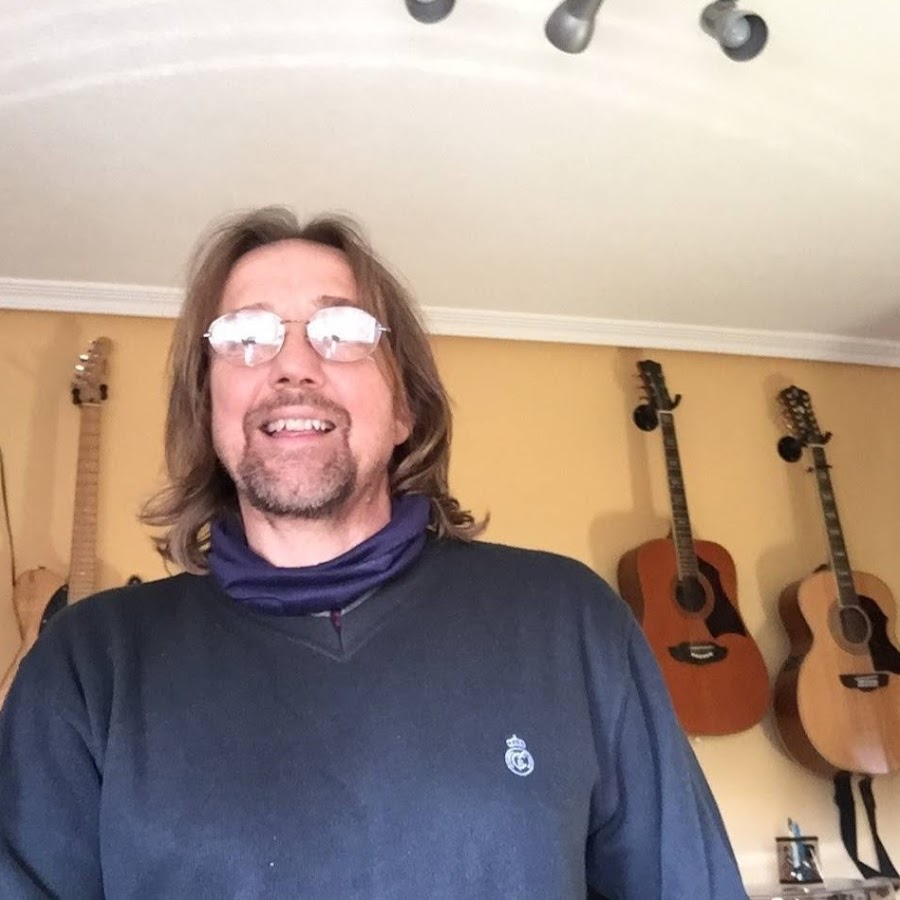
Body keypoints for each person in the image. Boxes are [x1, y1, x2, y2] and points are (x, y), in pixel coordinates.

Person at [0, 207, 748, 899]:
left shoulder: (570, 620)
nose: (293, 365)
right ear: (208, 407)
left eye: (342, 330)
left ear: (404, 408)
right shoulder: (86, 664)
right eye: (246, 336)